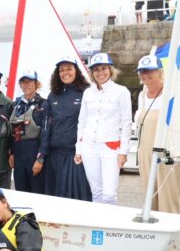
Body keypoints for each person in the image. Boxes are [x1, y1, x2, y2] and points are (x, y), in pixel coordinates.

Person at [135, 55, 180, 239]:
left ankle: (170, 245)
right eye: (142, 72)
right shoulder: (141, 95)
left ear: (160, 72)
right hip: (145, 151)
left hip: (167, 151)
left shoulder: (172, 93)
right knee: (149, 196)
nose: (145, 75)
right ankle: (153, 239)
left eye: (149, 71)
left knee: (168, 197)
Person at [75, 53, 131, 205]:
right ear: (92, 73)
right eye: (96, 69)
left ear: (110, 70)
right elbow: (82, 121)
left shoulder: (122, 91)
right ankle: (98, 225)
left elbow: (127, 124)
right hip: (88, 147)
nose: (100, 73)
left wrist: (123, 152)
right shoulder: (88, 92)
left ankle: (111, 224)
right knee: (96, 192)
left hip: (110, 147)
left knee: (109, 194)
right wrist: (78, 149)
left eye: (104, 68)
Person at [45, 56, 92, 201]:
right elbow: (47, 125)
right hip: (54, 155)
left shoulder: (87, 92)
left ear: (76, 71)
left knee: (78, 196)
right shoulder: (53, 95)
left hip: (75, 155)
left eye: (69, 69)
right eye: (62, 70)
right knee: (55, 197)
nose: (65, 72)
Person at [10, 70, 50, 194]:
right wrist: (11, 153)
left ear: (36, 84)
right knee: (21, 192)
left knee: (37, 192)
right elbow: (11, 131)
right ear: (20, 85)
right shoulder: (15, 104)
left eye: (30, 82)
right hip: (19, 153)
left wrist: (40, 159)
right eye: (23, 82)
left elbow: (46, 133)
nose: (26, 85)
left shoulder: (43, 104)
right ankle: (24, 214)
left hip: (34, 152)